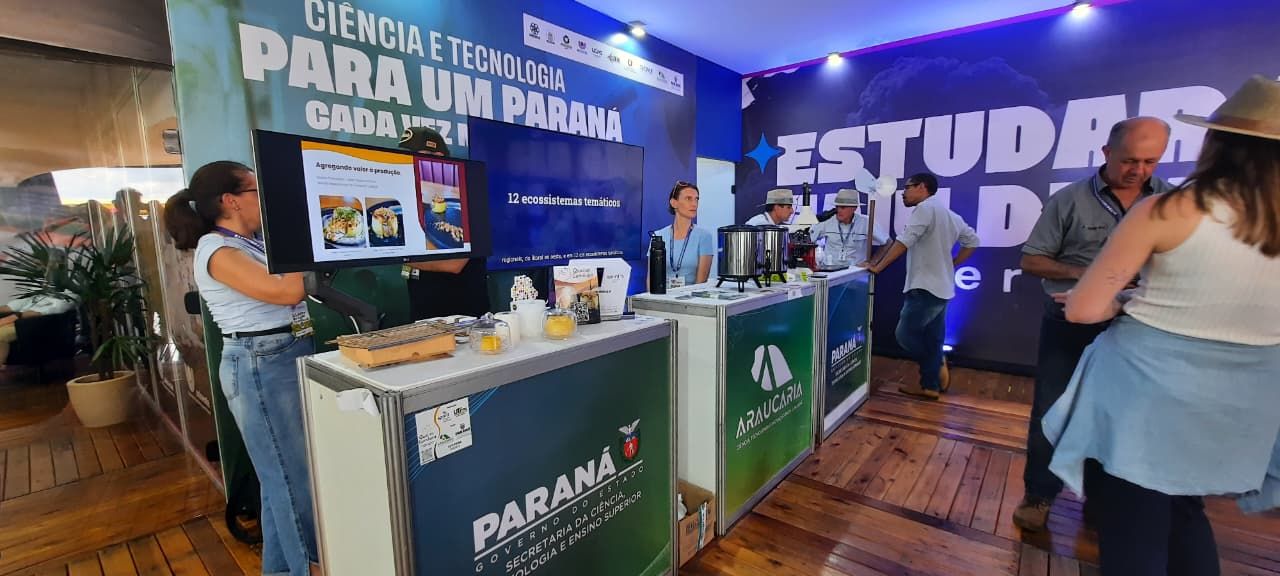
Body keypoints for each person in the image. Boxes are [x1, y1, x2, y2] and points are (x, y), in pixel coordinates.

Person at [1041, 75, 1280, 575]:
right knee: (1187, 512)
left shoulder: (1170, 209)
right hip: (1243, 398)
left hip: (1149, 396)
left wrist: (1121, 303)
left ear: (1217, 143)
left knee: (1134, 524)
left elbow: (1084, 309)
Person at [1013, 116, 1173, 532]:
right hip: (1069, 324)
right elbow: (1032, 260)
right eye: (1129, 160)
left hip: (1137, 327)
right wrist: (1092, 277)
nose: (1139, 170)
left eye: (1150, 161)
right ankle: (1039, 494)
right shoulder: (1068, 200)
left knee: (1120, 415)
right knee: (1052, 408)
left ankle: (1102, 500)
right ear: (1106, 153)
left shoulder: (1171, 203)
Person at [164, 161, 318, 576]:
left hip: (284, 353)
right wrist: (307, 239)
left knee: (279, 478)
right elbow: (286, 292)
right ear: (230, 201)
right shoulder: (217, 250)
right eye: (255, 190)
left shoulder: (251, 243)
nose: (263, 198)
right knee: (294, 481)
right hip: (261, 364)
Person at [864, 173, 979, 400]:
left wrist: (878, 267)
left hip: (924, 287)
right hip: (943, 287)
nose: (903, 193)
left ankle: (935, 364)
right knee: (933, 338)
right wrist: (953, 263)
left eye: (908, 187)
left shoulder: (925, 209)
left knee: (905, 335)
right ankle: (930, 386)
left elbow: (904, 241)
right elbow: (973, 241)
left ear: (922, 187)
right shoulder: (950, 215)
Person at [398, 127, 490, 320]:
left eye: (414, 156)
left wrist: (403, 258)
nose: (408, 162)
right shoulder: (413, 198)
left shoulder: (469, 194)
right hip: (424, 315)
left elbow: (453, 264)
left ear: (438, 157)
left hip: (464, 318)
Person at [651, 181, 715, 288]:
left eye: (696, 199)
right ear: (674, 203)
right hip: (663, 296)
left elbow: (700, 286)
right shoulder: (658, 236)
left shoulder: (704, 237)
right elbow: (651, 281)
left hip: (691, 297)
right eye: (688, 198)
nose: (694, 204)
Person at [808, 188, 888, 267]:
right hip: (830, 271)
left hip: (855, 272)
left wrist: (873, 262)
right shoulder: (827, 220)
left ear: (854, 208)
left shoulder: (866, 222)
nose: (839, 210)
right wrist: (813, 262)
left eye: (843, 207)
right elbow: (807, 240)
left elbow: (887, 242)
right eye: (837, 207)